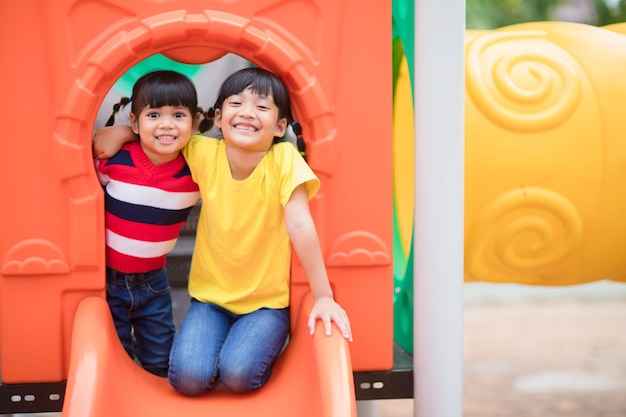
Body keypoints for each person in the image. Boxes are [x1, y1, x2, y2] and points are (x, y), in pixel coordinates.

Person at [93, 67, 352, 396]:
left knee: (239, 375)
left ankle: (242, 347)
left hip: (265, 304)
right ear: (217, 118)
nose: (247, 112)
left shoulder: (284, 159)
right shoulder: (202, 153)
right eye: (236, 104)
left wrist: (324, 296)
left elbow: (300, 224)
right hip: (210, 301)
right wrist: (123, 133)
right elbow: (165, 131)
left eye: (261, 107)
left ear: (280, 126)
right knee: (187, 380)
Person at [94, 70, 200, 377]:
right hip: (106, 281)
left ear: (193, 125)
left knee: (160, 360)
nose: (166, 124)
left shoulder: (195, 174)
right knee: (116, 359)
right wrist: (123, 134)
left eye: (178, 115)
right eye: (154, 114)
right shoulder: (115, 160)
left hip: (153, 283)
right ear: (135, 121)